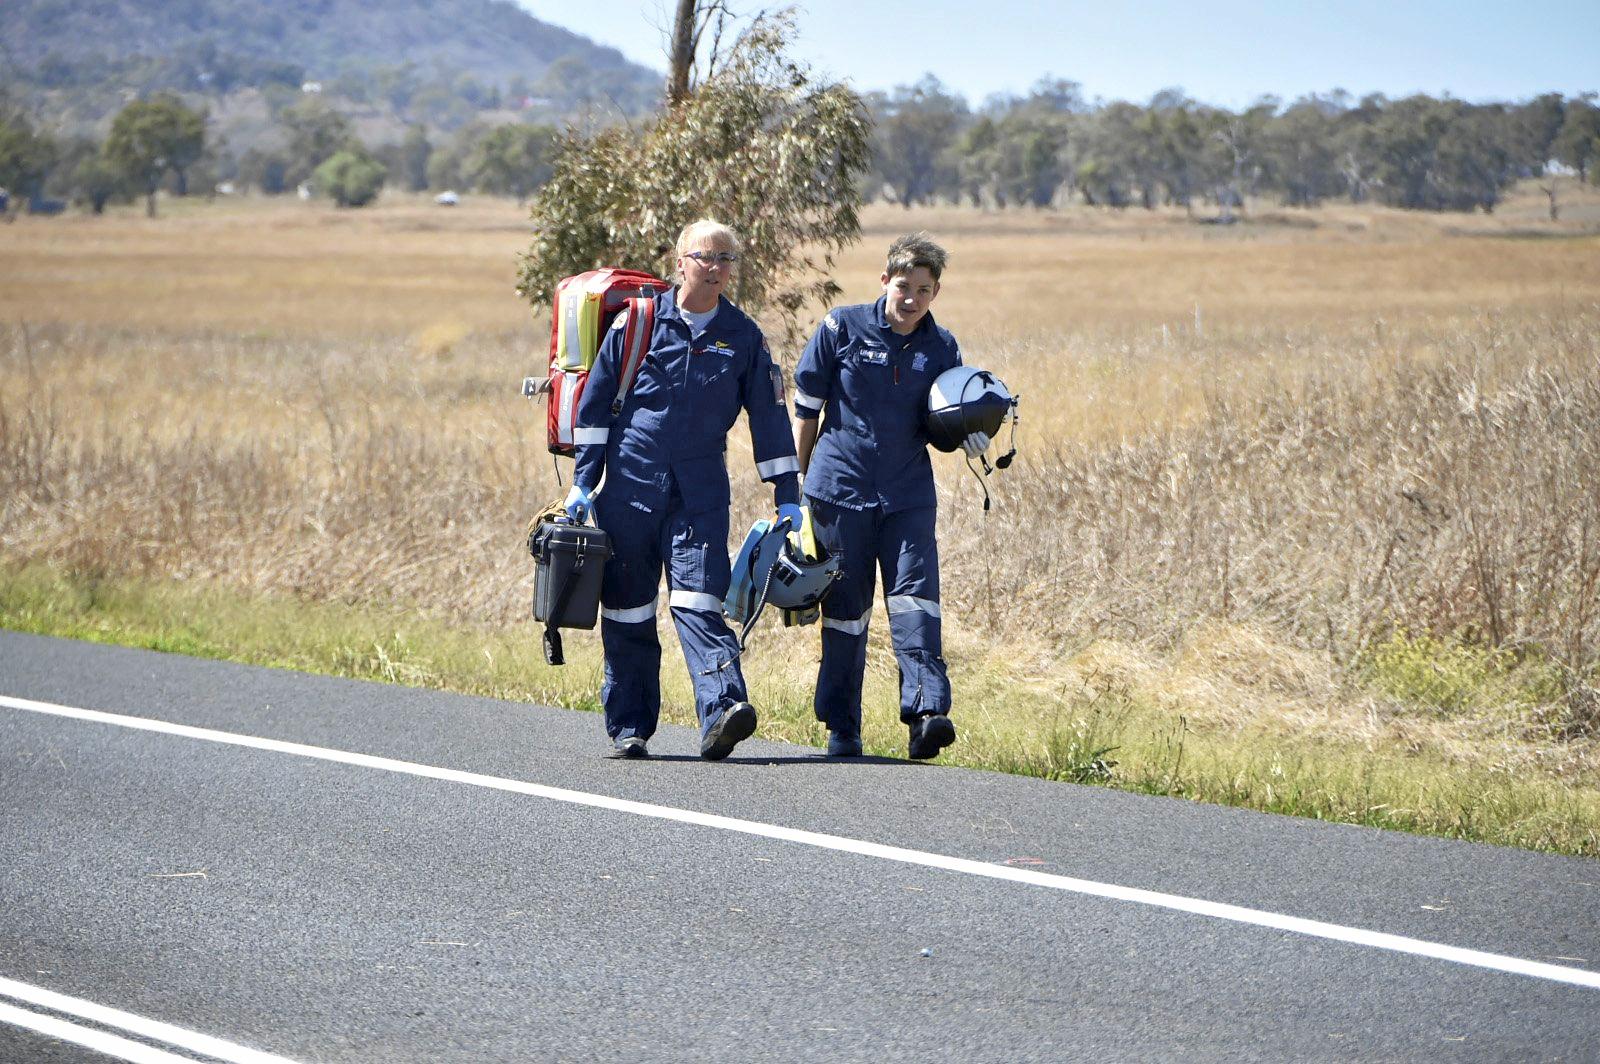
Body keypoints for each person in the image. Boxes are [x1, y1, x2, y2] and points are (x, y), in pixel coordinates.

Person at [564, 219, 803, 761]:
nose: (716, 268)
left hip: (700, 492)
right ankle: (629, 727)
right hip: (628, 487)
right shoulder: (638, 324)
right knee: (627, 608)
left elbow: (768, 418)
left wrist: (787, 492)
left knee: (699, 599)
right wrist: (584, 484)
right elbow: (595, 409)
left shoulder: (742, 337)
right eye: (706, 257)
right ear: (680, 263)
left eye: (726, 260)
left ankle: (723, 710)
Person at [792, 233, 988, 760]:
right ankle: (842, 727)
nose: (912, 299)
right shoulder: (841, 327)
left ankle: (927, 714)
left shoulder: (942, 347)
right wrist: (798, 490)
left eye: (924, 290)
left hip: (907, 497)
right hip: (838, 491)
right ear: (885, 281)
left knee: (916, 604)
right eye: (904, 286)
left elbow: (946, 419)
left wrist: (971, 431)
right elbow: (807, 411)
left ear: (936, 292)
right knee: (846, 613)